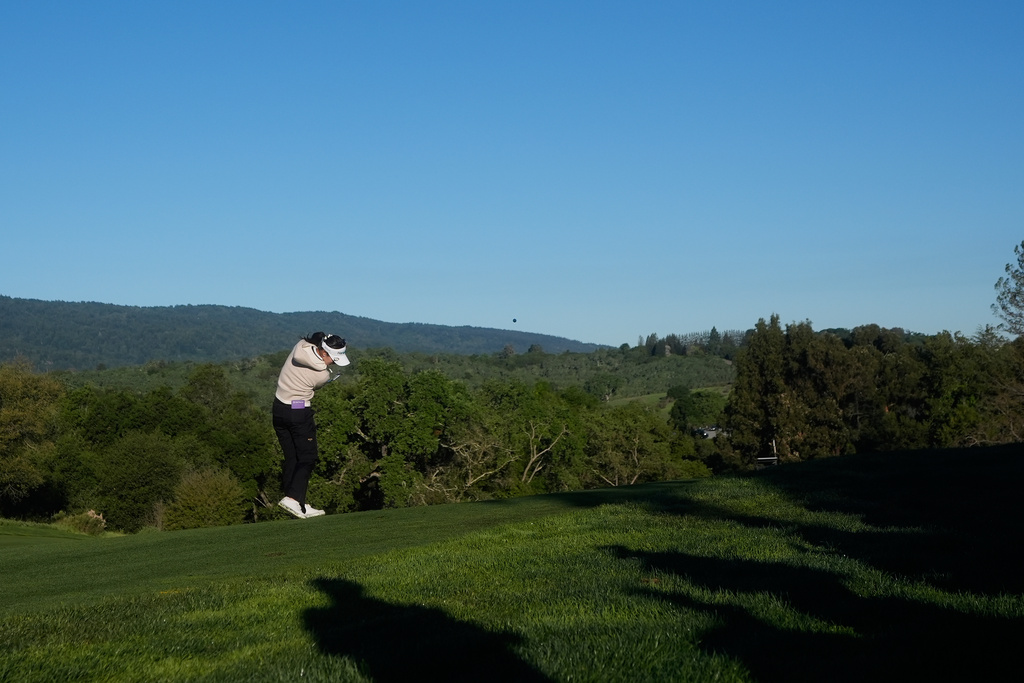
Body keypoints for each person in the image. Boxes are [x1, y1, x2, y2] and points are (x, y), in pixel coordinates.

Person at [272, 332, 349, 519]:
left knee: (292, 458)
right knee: (308, 457)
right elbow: (317, 380)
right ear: (324, 353)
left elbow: (313, 340)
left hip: (278, 409)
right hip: (299, 412)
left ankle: (298, 503)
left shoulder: (300, 346)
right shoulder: (322, 375)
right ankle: (292, 499)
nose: (333, 363)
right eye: (333, 359)